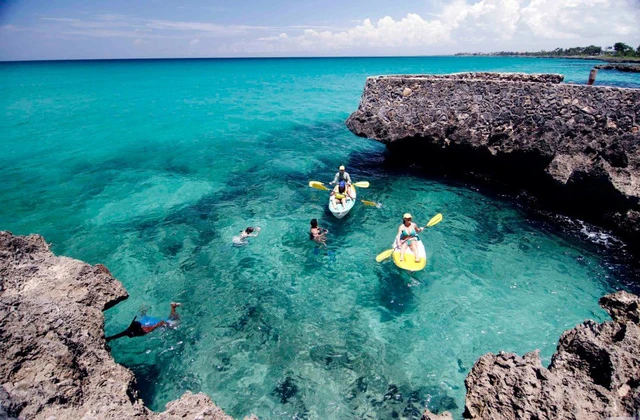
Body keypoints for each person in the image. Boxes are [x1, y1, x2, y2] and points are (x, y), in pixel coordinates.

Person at [105, 302, 182, 342]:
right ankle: (173, 307)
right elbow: (158, 324)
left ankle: (173, 307)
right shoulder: (143, 330)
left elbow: (118, 335)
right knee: (175, 320)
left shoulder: (129, 331)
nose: (142, 326)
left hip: (150, 322)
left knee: (173, 320)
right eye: (141, 326)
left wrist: (109, 338)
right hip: (149, 322)